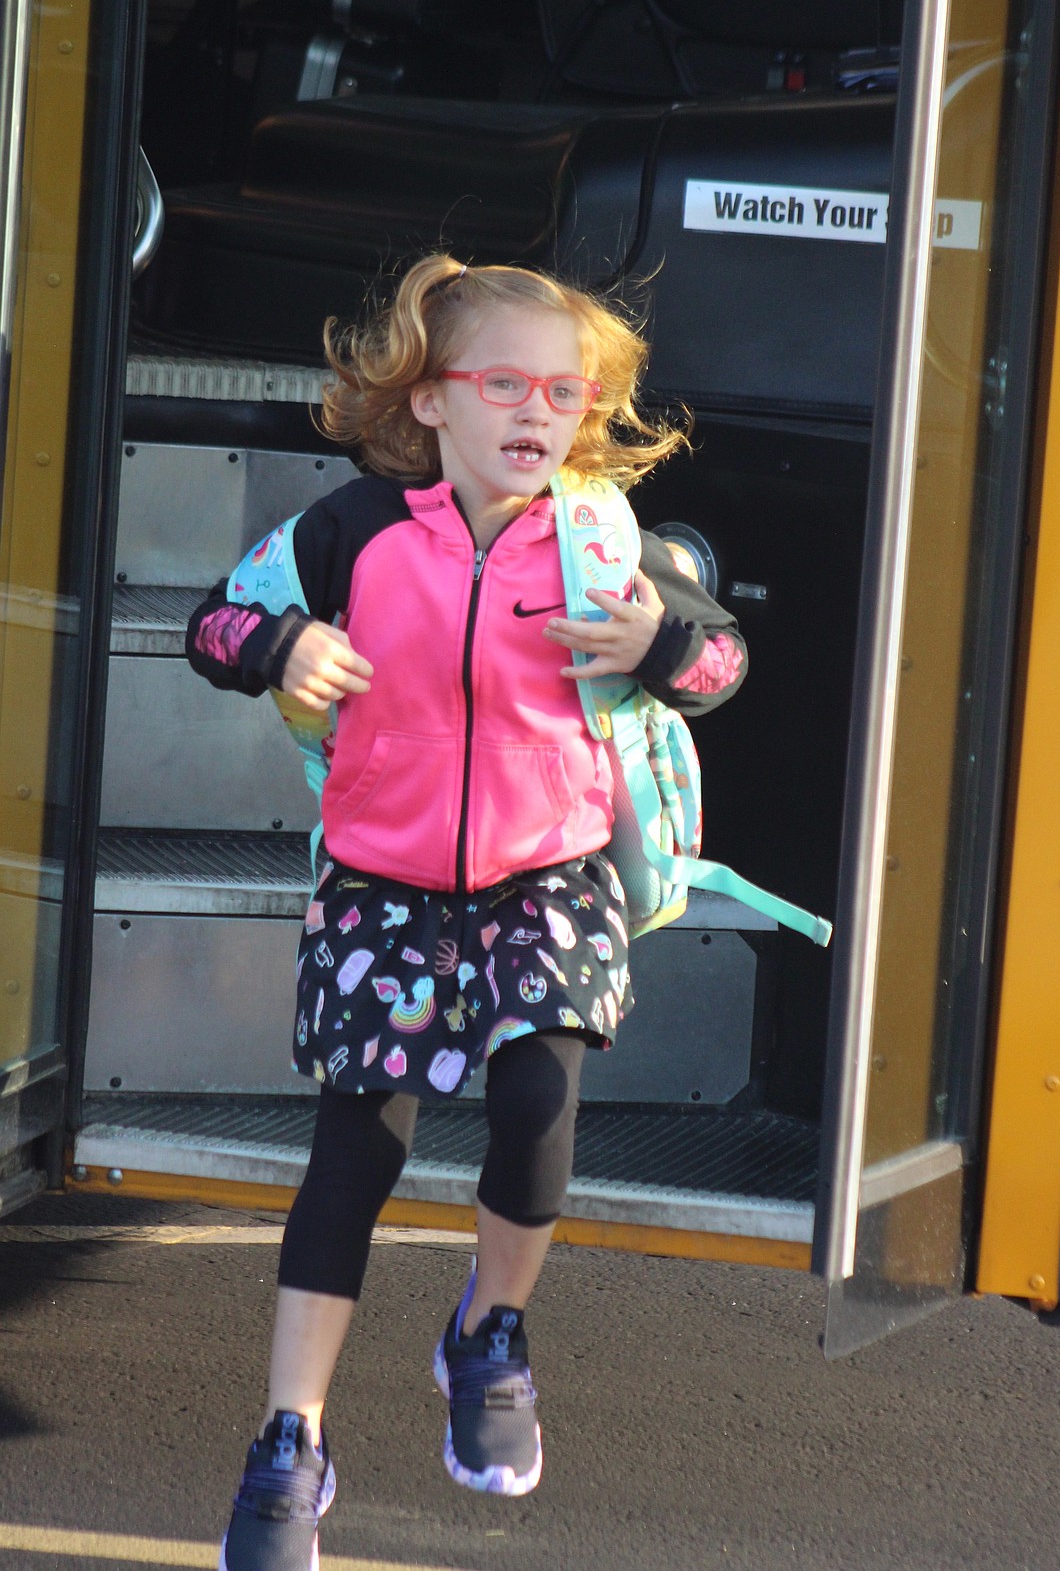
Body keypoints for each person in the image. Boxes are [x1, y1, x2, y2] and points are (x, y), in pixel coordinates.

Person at [186, 253, 747, 1571]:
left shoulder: (608, 541)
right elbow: (214, 623)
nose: (539, 410)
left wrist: (654, 644)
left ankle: (490, 1330)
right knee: (355, 1159)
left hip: (544, 877)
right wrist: (281, 646)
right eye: (507, 382)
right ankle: (290, 1436)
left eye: (568, 388)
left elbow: (723, 657)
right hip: (383, 886)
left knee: (534, 1106)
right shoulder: (358, 528)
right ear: (433, 401)